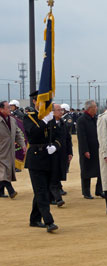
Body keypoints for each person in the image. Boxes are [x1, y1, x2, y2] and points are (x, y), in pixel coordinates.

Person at [23, 91, 59, 232]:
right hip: (36, 158)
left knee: (42, 190)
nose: (43, 104)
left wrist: (55, 146)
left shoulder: (50, 118)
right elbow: (33, 133)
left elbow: (58, 136)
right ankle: (49, 222)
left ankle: (35, 218)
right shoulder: (28, 117)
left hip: (49, 158)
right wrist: (44, 121)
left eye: (46, 101)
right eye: (40, 101)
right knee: (42, 191)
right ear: (34, 102)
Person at [77, 100, 104, 199]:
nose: (96, 108)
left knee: (100, 170)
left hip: (97, 149)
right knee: (86, 171)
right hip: (87, 149)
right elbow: (82, 137)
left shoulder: (96, 119)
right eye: (95, 107)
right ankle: (86, 192)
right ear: (90, 108)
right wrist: (85, 150)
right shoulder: (81, 120)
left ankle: (99, 190)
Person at [0, 101, 26, 198]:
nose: (10, 109)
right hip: (1, 150)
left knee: (5, 170)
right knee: (3, 171)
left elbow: (18, 134)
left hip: (9, 150)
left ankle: (0, 191)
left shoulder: (12, 120)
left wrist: (23, 145)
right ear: (1, 109)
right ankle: (11, 191)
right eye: (7, 107)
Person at [48, 104, 73, 207]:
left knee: (58, 175)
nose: (61, 112)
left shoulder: (63, 123)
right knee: (53, 177)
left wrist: (70, 152)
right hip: (52, 155)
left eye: (61, 110)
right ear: (52, 112)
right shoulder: (48, 124)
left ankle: (52, 197)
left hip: (62, 154)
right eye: (58, 110)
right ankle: (58, 198)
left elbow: (68, 139)